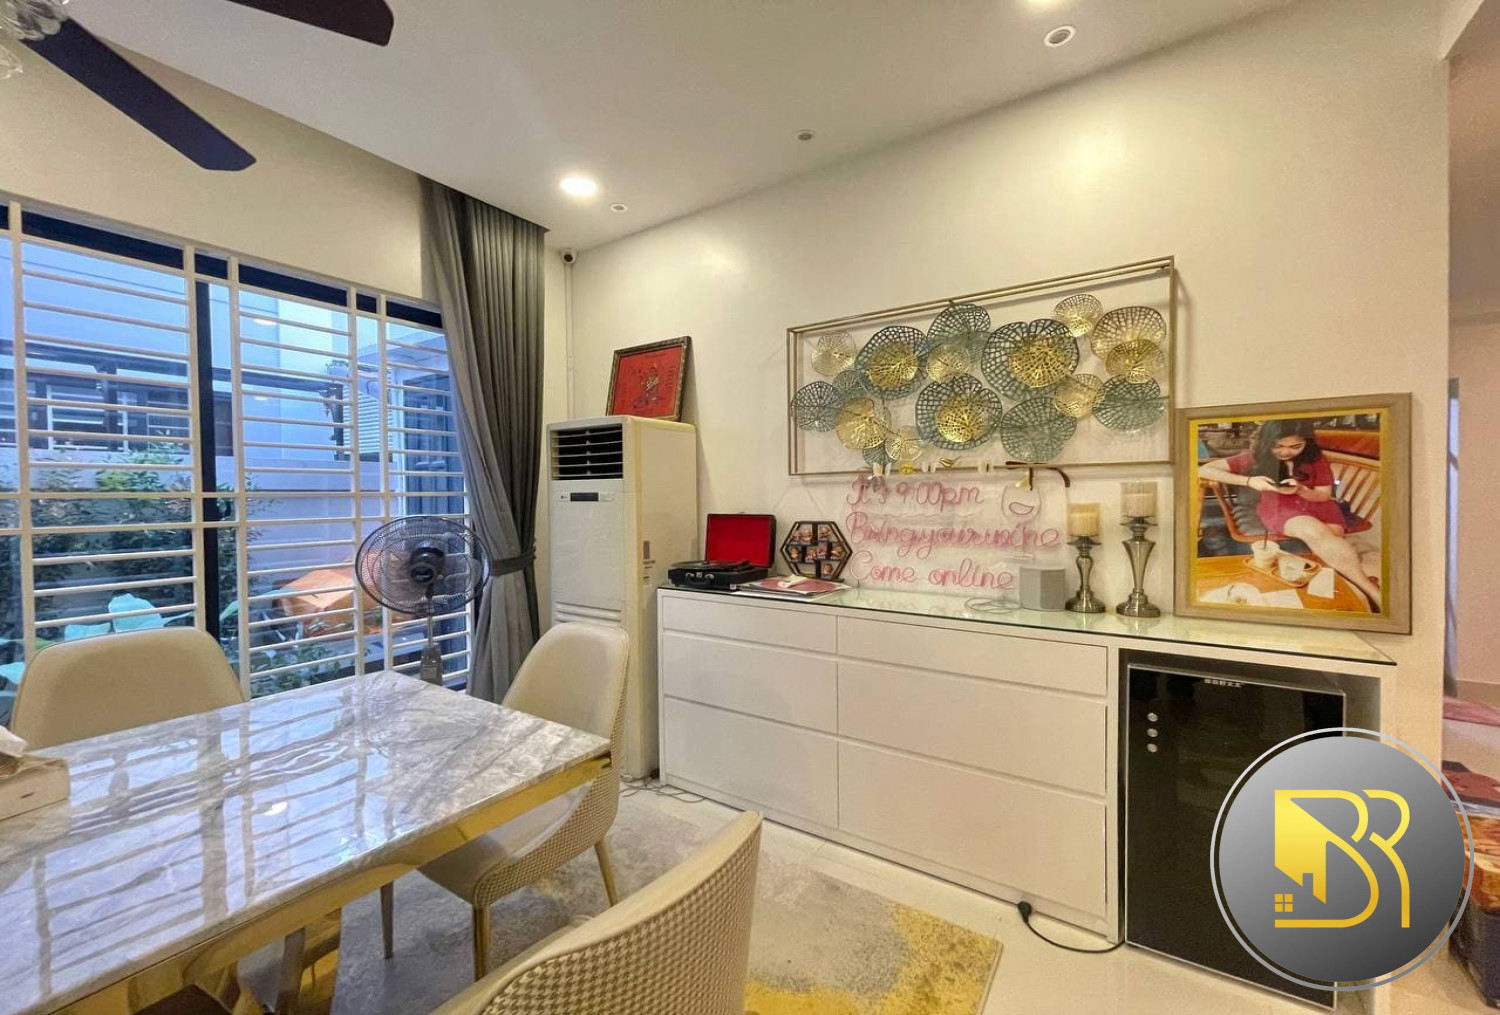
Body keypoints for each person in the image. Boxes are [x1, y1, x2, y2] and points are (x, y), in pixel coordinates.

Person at [1199, 418, 1381, 610]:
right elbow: (1205, 470)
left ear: (1306, 442)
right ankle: (1370, 590)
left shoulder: (1316, 459)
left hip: (1316, 503)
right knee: (1316, 533)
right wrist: (1250, 481)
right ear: (1267, 441)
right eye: (1278, 446)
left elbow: (1323, 495)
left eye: (1296, 446)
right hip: (1281, 507)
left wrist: (1302, 489)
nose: (1286, 452)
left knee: (1332, 536)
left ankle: (1347, 584)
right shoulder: (1253, 457)